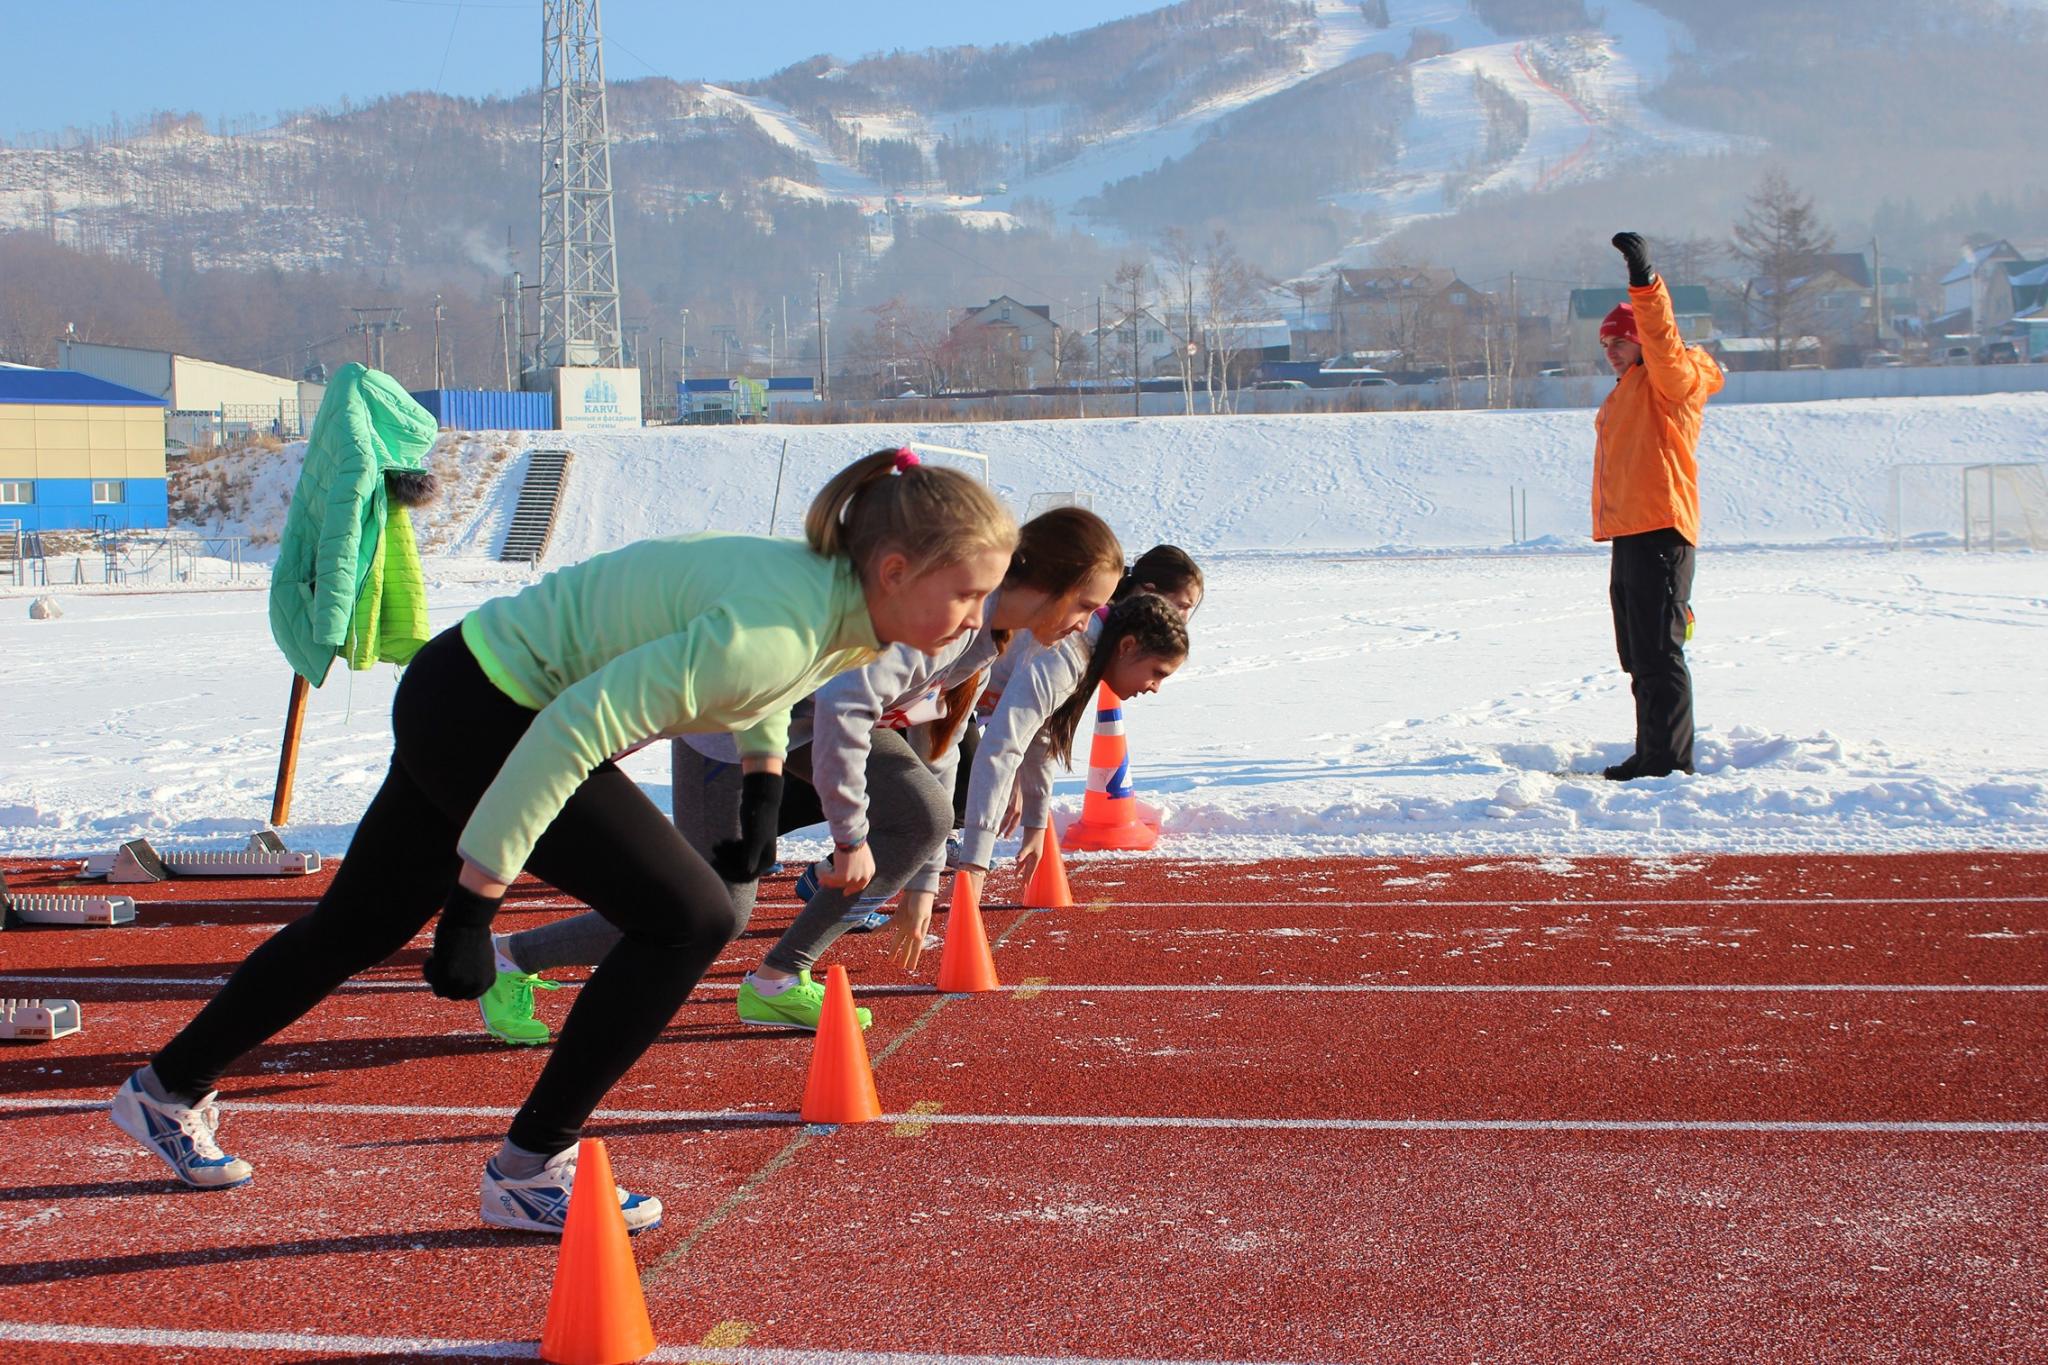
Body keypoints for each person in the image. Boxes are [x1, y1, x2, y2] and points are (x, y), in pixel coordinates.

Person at [108, 448, 1015, 1235]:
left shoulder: (827, 598)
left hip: (463, 683)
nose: (979, 617)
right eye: (970, 592)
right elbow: (574, 730)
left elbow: (775, 693)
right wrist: (474, 904)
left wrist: (761, 787)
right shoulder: (777, 628)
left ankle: (166, 1086)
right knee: (690, 915)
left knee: (356, 928)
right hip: (493, 709)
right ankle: (528, 1167)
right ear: (894, 568)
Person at [475, 506, 1126, 1037]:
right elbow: (846, 706)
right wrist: (851, 840)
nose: (1082, 625)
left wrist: (924, 878)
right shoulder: (950, 616)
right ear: (1050, 582)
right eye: (1085, 605)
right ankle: (511, 957)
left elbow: (936, 739)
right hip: (733, 727)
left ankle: (781, 977)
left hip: (809, 728)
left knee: (924, 814)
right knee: (709, 910)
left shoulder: (986, 634)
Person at [954, 549, 1201, 900]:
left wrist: (1036, 827)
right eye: (1157, 674)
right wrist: (975, 866)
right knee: (928, 812)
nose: (1155, 688)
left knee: (927, 813)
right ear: (1128, 646)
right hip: (916, 684)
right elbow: (1001, 746)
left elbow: (1040, 732)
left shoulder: (1094, 647)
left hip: (941, 697)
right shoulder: (1070, 654)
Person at [1593, 231, 1724, 781]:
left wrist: (1644, 281)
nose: (1612, 350)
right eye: (1605, 343)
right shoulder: (1626, 390)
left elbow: (1663, 339)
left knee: (1661, 653)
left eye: (1620, 340)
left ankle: (1669, 763)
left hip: (1662, 532)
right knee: (1637, 655)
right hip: (1630, 533)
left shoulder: (1672, 380)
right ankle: (1651, 753)